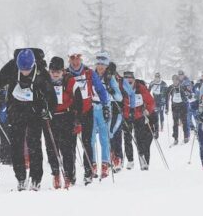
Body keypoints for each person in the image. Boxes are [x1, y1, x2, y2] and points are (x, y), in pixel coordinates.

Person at [0, 48, 55, 191]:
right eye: (22, 69)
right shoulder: (12, 67)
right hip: (16, 112)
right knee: (16, 146)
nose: (24, 72)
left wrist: (48, 110)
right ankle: (21, 178)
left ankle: (36, 178)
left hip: (34, 112)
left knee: (34, 145)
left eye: (27, 69)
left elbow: (51, 96)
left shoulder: (42, 72)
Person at [64, 49, 110, 181]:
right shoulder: (66, 74)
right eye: (72, 59)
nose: (75, 61)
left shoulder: (89, 73)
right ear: (69, 60)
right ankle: (70, 174)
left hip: (87, 111)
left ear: (81, 59)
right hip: (71, 114)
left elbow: (100, 90)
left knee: (87, 143)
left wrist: (105, 105)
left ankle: (88, 172)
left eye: (78, 58)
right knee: (70, 145)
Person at [45, 56, 78, 188]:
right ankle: (56, 173)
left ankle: (68, 175)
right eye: (53, 71)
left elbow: (78, 99)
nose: (55, 74)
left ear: (63, 71)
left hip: (66, 116)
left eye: (58, 71)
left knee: (67, 148)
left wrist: (77, 119)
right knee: (52, 148)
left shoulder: (69, 80)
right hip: (51, 118)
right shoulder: (46, 81)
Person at [118, 70, 157, 170]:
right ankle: (130, 160)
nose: (129, 81)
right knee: (127, 139)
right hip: (126, 116)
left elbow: (151, 101)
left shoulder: (140, 88)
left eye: (130, 79)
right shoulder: (121, 88)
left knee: (140, 139)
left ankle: (143, 159)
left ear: (134, 79)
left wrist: (148, 110)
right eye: (126, 79)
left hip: (139, 116)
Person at [166, 73, 190, 146]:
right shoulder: (170, 88)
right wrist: (167, 108)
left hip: (183, 107)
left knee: (184, 122)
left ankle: (186, 136)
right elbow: (167, 98)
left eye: (176, 80)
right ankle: (175, 138)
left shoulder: (182, 87)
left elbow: (189, 94)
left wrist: (188, 94)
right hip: (175, 107)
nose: (175, 82)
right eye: (173, 80)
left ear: (178, 81)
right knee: (175, 123)